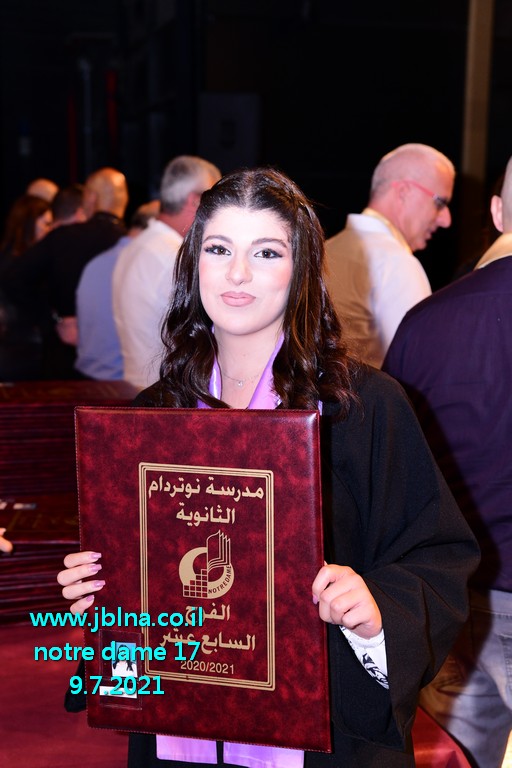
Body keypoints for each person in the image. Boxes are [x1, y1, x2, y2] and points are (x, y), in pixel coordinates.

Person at [57, 167, 479, 768]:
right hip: (178, 734)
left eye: (266, 252)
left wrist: (376, 609)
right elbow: (132, 626)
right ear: (193, 263)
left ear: (300, 269)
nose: (237, 273)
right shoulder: (151, 418)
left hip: (324, 734)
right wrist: (102, 602)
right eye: (218, 249)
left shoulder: (361, 408)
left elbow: (437, 555)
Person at [382, 154, 512, 768]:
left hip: (455, 596)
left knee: (456, 756)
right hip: (458, 591)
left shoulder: (426, 320)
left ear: (497, 213)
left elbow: (390, 470)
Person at [325, 143, 455, 367]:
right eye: (440, 203)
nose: (446, 220)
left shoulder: (324, 250)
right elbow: (422, 366)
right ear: (403, 191)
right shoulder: (396, 262)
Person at [2, 167, 129, 378]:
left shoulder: (62, 237)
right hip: (119, 358)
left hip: (63, 358)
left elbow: (13, 278)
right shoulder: (133, 244)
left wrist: (53, 319)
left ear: (90, 198)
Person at [112, 155, 221, 390]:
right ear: (194, 200)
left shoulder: (133, 247)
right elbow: (209, 336)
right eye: (214, 202)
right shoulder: (175, 256)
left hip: (137, 388)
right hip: (167, 395)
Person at [75, 200, 160, 380]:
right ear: (154, 229)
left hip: (87, 377)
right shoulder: (147, 265)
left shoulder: (96, 262)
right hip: (124, 381)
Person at [0, 193, 52, 379]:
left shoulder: (6, 255)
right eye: (46, 224)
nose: (49, 230)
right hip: (22, 346)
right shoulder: (23, 263)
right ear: (30, 223)